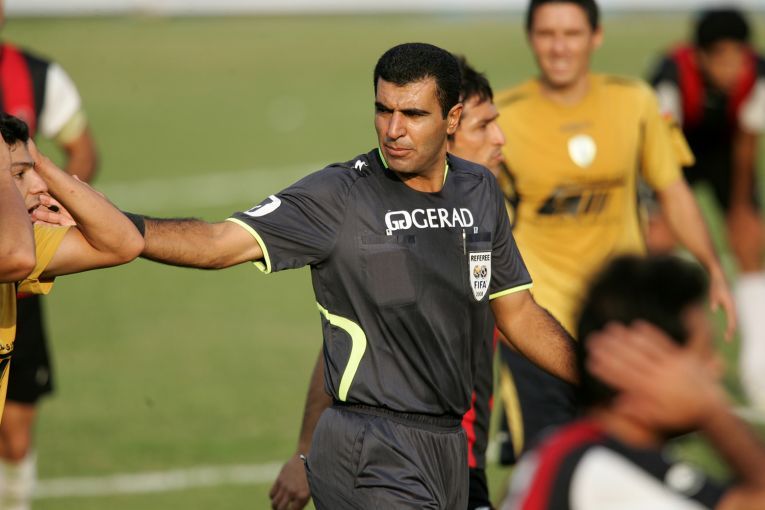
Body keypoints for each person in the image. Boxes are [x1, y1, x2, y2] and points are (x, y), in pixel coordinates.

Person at [138, 43, 577, 509]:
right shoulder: (342, 196)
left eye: (412, 114)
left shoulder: (479, 191)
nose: (393, 129)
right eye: (383, 110)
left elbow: (519, 313)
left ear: (450, 119)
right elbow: (218, 243)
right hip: (372, 450)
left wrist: (595, 377)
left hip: (449, 449)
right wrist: (122, 229)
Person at [493, 0, 736, 466]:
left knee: (634, 465)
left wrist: (713, 267)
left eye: (572, 34)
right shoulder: (501, 118)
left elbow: (673, 191)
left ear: (596, 36)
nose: (559, 47)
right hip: (537, 327)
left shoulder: (635, 101)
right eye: (547, 34)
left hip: (624, 326)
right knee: (544, 469)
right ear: (530, 39)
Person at [268, 56, 508, 510]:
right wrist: (305, 451)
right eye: (483, 126)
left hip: (458, 458)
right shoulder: (393, 224)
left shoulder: (486, 209)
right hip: (402, 458)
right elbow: (350, 341)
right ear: (448, 131)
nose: (500, 139)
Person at [501, 255, 765, 509]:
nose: (717, 368)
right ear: (642, 361)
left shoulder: (579, 449)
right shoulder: (605, 474)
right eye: (704, 355)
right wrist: (715, 415)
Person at [0, 113, 139, 509]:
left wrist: (40, 162)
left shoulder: (21, 242)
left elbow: (123, 243)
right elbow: (16, 256)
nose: (39, 186)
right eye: (20, 174)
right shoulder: (16, 250)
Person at [0, 1, 99, 506]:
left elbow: (83, 149)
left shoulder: (36, 75)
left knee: (16, 433)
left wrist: (50, 202)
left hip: (18, 288)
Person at [648, 7, 765, 412]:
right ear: (699, 56)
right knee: (657, 241)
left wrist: (741, 207)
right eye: (721, 58)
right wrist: (667, 213)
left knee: (750, 241)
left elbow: (746, 144)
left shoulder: (758, 74)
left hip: (726, 155)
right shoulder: (669, 78)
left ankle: (758, 368)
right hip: (673, 152)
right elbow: (662, 155)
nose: (732, 69)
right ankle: (662, 362)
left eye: (738, 58)